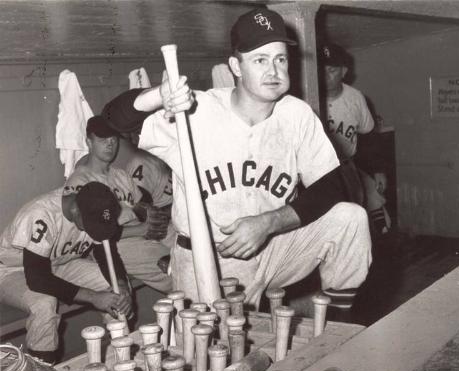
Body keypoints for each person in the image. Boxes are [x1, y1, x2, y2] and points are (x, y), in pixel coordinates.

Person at [102, 8, 372, 315]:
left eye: (280, 59)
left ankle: (336, 328)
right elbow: (111, 118)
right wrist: (158, 96)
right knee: (214, 353)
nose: (274, 71)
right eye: (260, 60)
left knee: (350, 219)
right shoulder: (196, 109)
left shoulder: (296, 114)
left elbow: (332, 187)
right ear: (236, 66)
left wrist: (269, 222)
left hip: (272, 246)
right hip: (208, 259)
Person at [0, 182, 132, 364]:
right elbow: (37, 278)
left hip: (57, 263)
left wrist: (122, 285)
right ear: (75, 210)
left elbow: (106, 254)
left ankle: (122, 356)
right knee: (44, 304)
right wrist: (94, 297)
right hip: (13, 271)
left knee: (112, 285)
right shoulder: (41, 214)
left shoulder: (93, 205)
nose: (92, 231)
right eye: (90, 225)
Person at [63, 116, 172, 293]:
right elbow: (90, 234)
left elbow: (139, 205)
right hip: (114, 245)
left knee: (189, 247)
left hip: (139, 234)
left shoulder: (120, 174)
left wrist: (148, 213)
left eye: (113, 139)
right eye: (102, 139)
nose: (110, 144)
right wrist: (141, 230)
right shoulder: (81, 181)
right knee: (174, 269)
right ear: (89, 142)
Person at [318, 43, 390, 236]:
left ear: (343, 71)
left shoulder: (355, 98)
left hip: (346, 165)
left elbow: (369, 135)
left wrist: (378, 170)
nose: (325, 75)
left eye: (331, 70)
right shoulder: (308, 95)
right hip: (317, 168)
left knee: (370, 200)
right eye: (321, 70)